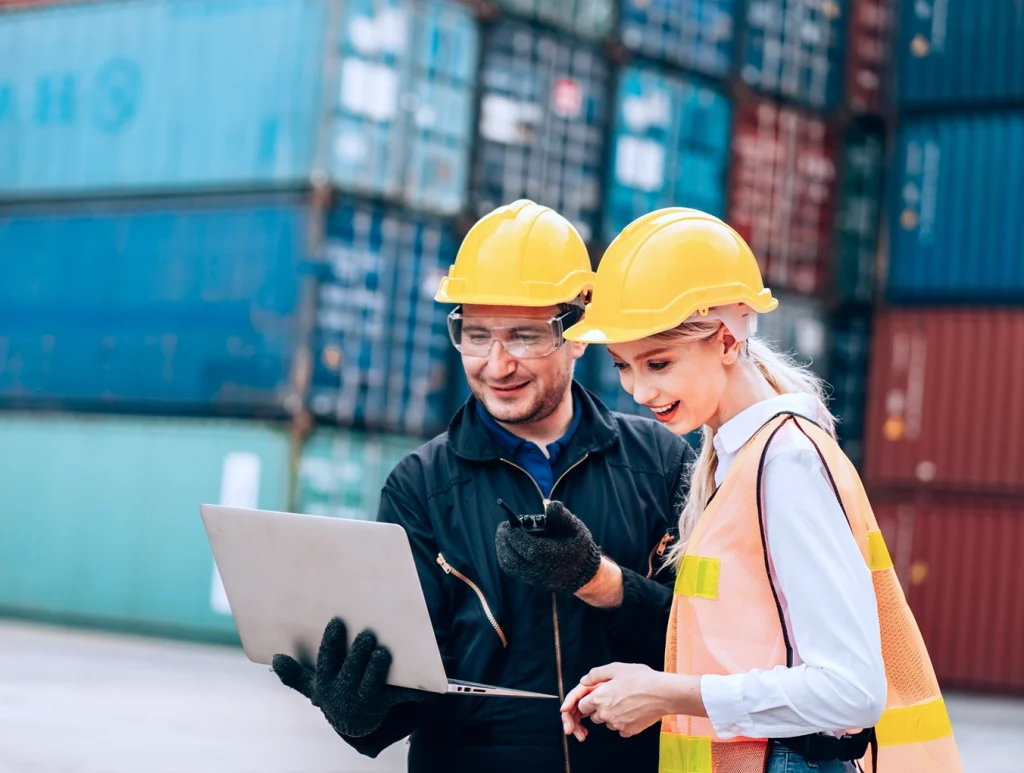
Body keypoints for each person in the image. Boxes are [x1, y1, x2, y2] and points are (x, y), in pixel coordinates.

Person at [271, 200, 695, 772]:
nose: (497, 366)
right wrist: (359, 714)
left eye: (523, 336)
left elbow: (708, 645)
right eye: (475, 335)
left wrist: (604, 582)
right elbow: (409, 691)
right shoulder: (421, 487)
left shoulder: (663, 462)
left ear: (577, 336)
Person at [558, 208, 964, 773]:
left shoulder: (787, 462)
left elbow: (850, 690)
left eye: (658, 362)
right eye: (623, 366)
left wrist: (668, 694)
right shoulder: (739, 460)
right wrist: (649, 689)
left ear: (725, 339)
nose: (639, 390)